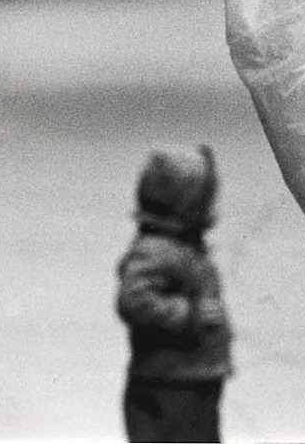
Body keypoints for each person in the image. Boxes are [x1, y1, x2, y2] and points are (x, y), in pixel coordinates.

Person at [116, 145, 233, 443]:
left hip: (192, 379)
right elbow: (134, 300)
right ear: (187, 204)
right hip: (169, 384)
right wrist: (189, 314)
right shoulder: (155, 250)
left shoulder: (178, 247)